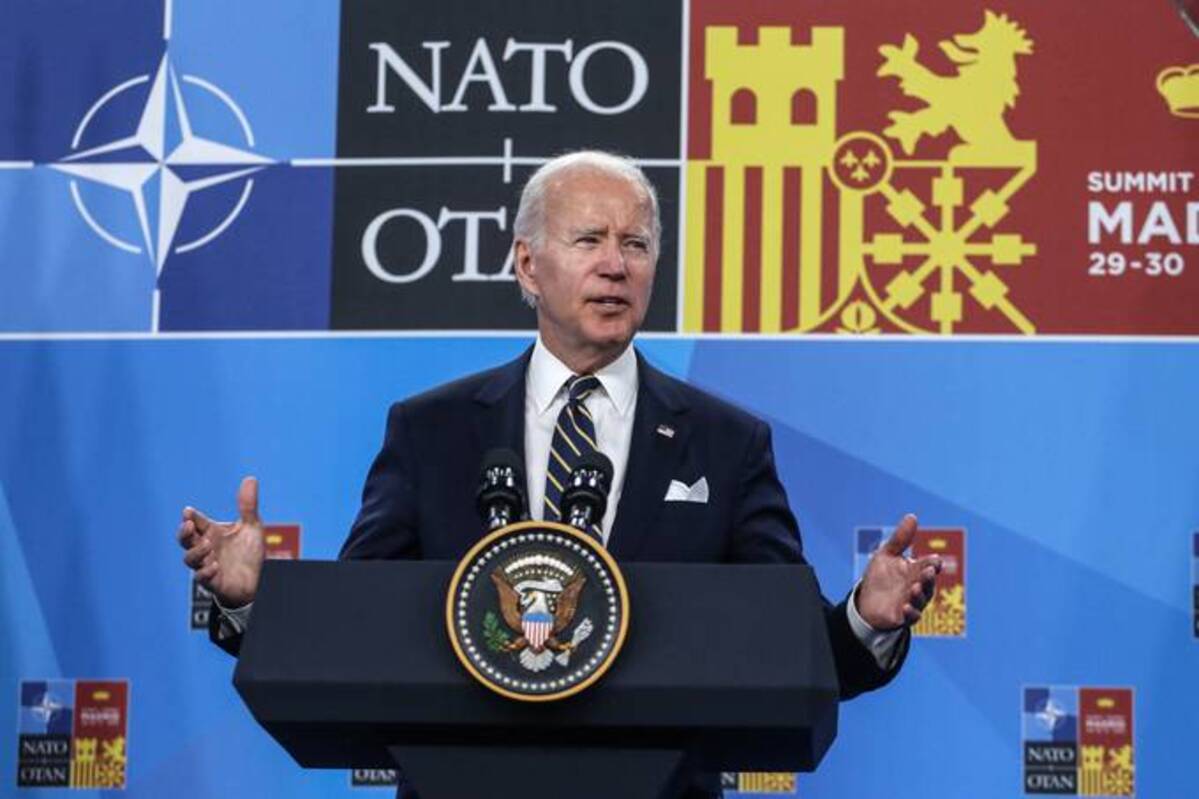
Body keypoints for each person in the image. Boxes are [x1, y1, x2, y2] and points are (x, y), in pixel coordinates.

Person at [179, 150, 941, 797]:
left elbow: (786, 647)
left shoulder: (726, 442)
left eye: (636, 244)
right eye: (588, 239)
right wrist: (253, 604)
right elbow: (360, 633)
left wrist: (862, 619)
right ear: (526, 263)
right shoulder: (432, 429)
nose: (615, 263)